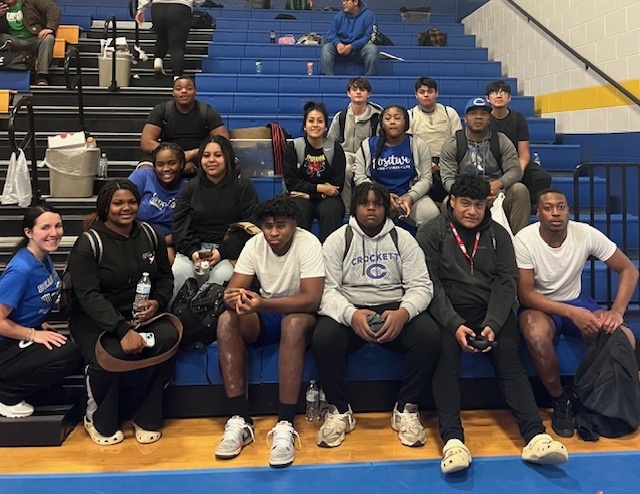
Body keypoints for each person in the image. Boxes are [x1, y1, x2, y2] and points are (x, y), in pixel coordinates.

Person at [417, 174, 568, 474]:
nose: (472, 211)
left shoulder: (499, 234)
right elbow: (429, 284)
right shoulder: (431, 232)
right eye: (465, 203)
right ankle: (453, 441)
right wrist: (454, 324)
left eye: (478, 205)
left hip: (491, 312)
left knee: (509, 361)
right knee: (444, 360)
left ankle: (535, 436)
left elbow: (507, 281)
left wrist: (494, 323)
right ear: (451, 202)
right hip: (448, 311)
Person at [313, 182, 440, 449]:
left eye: (378, 204)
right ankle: (339, 410)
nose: (371, 208)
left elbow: (422, 286)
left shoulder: (403, 239)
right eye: (364, 203)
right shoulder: (338, 240)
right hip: (351, 309)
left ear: (386, 208)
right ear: (354, 208)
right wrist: (351, 315)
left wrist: (404, 312)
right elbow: (325, 291)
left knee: (429, 335)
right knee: (323, 336)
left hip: (394, 307)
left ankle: (406, 408)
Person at [514, 189, 639, 438]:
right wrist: (572, 313)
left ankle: (598, 400)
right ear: (538, 213)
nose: (555, 213)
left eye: (561, 207)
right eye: (548, 208)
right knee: (536, 333)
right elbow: (526, 295)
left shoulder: (585, 233)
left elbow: (629, 270)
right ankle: (561, 399)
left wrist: (617, 311)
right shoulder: (524, 239)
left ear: (568, 211)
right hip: (540, 305)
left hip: (576, 300)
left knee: (623, 336)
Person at [214, 196, 325, 468]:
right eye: (268, 226)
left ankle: (285, 423)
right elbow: (234, 289)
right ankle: (240, 419)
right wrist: (232, 298)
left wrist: (263, 304)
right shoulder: (254, 244)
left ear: (294, 224)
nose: (273, 233)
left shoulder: (309, 243)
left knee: (292, 323)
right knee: (227, 321)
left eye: (280, 226)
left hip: (301, 313)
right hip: (267, 313)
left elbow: (312, 299)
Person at [67, 180, 179, 445]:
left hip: (141, 314)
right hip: (95, 318)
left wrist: (158, 302)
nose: (126, 208)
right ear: (106, 207)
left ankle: (146, 415)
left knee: (167, 337)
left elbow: (165, 277)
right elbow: (89, 296)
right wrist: (122, 329)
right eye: (118, 203)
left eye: (131, 202)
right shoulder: (89, 243)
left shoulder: (151, 234)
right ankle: (97, 418)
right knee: (112, 351)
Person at [0, 206, 82, 419]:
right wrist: (32, 334)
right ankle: (5, 395)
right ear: (29, 232)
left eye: (58, 226)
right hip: (5, 345)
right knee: (67, 354)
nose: (54, 233)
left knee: (69, 350)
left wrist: (38, 322)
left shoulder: (42, 258)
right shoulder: (21, 270)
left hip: (19, 335)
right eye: (45, 227)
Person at [171, 135, 258, 299]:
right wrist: (192, 252)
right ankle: (176, 315)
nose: (211, 160)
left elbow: (250, 227)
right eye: (206, 155)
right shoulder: (190, 187)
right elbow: (179, 226)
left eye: (218, 155)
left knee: (221, 276)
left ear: (228, 157)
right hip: (194, 250)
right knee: (179, 273)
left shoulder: (243, 186)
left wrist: (221, 252)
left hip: (229, 252)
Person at [439, 96, 530, 234]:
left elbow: (515, 170)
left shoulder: (501, 140)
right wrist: (472, 196)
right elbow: (447, 179)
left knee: (520, 190)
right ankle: (455, 241)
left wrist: (499, 184)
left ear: (489, 118)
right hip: (466, 193)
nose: (478, 117)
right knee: (448, 202)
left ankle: (519, 240)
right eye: (473, 113)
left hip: (496, 193)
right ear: (465, 119)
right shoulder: (453, 142)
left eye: (483, 114)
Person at [354, 105, 439, 228]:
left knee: (430, 213)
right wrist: (381, 196)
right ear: (382, 124)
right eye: (387, 118)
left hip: (409, 196)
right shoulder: (367, 146)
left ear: (406, 123)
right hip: (376, 197)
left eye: (397, 118)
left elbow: (426, 178)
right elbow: (360, 178)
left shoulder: (418, 145)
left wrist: (410, 197)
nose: (392, 122)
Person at [140, 76, 230, 175]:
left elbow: (223, 142)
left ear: (195, 91)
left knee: (230, 163)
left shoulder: (207, 111)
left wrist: (192, 154)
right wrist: (177, 157)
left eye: (189, 88)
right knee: (144, 170)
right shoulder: (162, 110)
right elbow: (146, 143)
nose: (184, 91)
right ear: (173, 92)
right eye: (178, 88)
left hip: (200, 157)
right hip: (167, 157)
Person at [283, 101, 346, 242]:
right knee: (299, 208)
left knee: (331, 209)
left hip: (327, 199)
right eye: (311, 121)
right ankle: (301, 252)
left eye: (320, 121)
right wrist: (321, 188)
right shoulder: (294, 147)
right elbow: (291, 183)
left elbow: (337, 186)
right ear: (305, 126)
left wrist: (309, 195)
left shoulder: (335, 148)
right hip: (302, 198)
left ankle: (330, 252)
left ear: (326, 126)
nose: (315, 125)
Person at [486, 81, 552, 208]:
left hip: (514, 162)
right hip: (492, 164)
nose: (499, 96)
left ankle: (526, 205)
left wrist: (516, 173)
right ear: (487, 99)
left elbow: (524, 154)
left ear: (509, 98)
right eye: (494, 93)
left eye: (503, 93)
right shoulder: (485, 119)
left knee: (542, 177)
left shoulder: (518, 118)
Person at [326, 77, 382, 209]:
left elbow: (380, 144)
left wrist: (364, 161)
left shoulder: (377, 117)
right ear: (348, 93)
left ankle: (369, 207)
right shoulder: (341, 117)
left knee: (367, 173)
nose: (358, 92)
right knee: (345, 170)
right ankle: (347, 209)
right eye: (354, 89)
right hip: (346, 155)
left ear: (368, 94)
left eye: (362, 89)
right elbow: (330, 143)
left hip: (369, 156)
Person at [129, 142, 188, 265]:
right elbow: (123, 203)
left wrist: (160, 242)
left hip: (168, 242)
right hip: (136, 236)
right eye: (160, 164)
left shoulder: (187, 187)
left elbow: (186, 228)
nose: (166, 169)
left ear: (181, 164)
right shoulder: (143, 176)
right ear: (154, 166)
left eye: (171, 163)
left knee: (168, 257)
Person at [408, 77, 462, 204]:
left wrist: (447, 162)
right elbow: (408, 144)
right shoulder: (410, 115)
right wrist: (426, 163)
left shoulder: (449, 112)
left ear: (436, 93)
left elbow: (458, 140)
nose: (426, 95)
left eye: (430, 91)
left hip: (447, 160)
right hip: (421, 161)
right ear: (416, 94)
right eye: (422, 92)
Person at [135, 0, 205, 80]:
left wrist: (141, 9)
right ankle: (177, 75)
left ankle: (158, 60)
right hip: (181, 7)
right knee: (177, 45)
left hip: (158, 7)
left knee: (161, 37)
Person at [0, 0, 60, 86]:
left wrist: (50, 28)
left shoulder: (31, 1)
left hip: (33, 39)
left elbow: (53, 9)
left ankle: (41, 76)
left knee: (48, 38)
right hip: (11, 41)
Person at [321, 0, 378, 76]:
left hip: (359, 50)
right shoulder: (338, 16)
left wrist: (352, 46)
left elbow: (369, 37)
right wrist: (338, 44)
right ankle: (328, 78)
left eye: (347, 1)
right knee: (327, 48)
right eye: (343, 1)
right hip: (341, 50)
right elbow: (331, 34)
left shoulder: (369, 16)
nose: (343, 3)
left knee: (372, 49)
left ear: (355, 2)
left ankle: (368, 80)